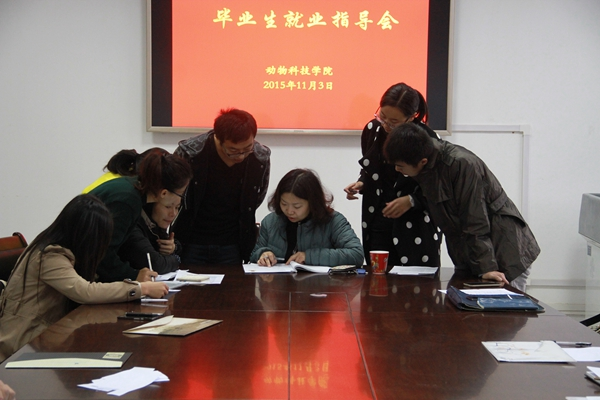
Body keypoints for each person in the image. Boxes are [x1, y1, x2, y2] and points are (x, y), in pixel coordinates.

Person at [0, 194, 168, 362]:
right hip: (22, 344)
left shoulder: (57, 249)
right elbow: (84, 291)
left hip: (46, 337)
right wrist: (141, 288)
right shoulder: (49, 255)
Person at [383, 123, 540, 291]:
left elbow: (475, 219)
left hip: (503, 256)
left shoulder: (461, 164)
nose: (397, 169)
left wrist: (486, 267)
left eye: (400, 166)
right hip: (474, 257)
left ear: (422, 161)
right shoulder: (427, 164)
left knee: (500, 307)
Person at [344, 83, 442, 269]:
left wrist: (412, 200)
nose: (386, 125)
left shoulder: (427, 139)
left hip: (416, 223)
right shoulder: (373, 129)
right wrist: (362, 182)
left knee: (416, 281)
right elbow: (371, 166)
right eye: (382, 116)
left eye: (394, 122)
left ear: (411, 117)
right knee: (377, 275)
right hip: (378, 216)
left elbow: (438, 186)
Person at [175, 108, 271, 265]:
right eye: (233, 150)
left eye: (247, 149)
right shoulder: (191, 153)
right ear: (218, 138)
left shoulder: (260, 157)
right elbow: (174, 194)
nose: (241, 156)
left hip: (233, 243)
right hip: (191, 240)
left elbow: (257, 196)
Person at [88, 149, 192, 282]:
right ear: (164, 193)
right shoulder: (127, 200)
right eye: (181, 194)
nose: (180, 200)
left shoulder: (134, 190)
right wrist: (134, 275)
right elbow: (103, 255)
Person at [250, 169, 364, 267]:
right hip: (278, 284)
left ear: (313, 202)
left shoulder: (334, 221)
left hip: (320, 284)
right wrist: (263, 254)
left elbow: (356, 254)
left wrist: (309, 256)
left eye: (297, 206)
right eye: (284, 203)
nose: (289, 211)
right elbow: (255, 254)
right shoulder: (270, 222)